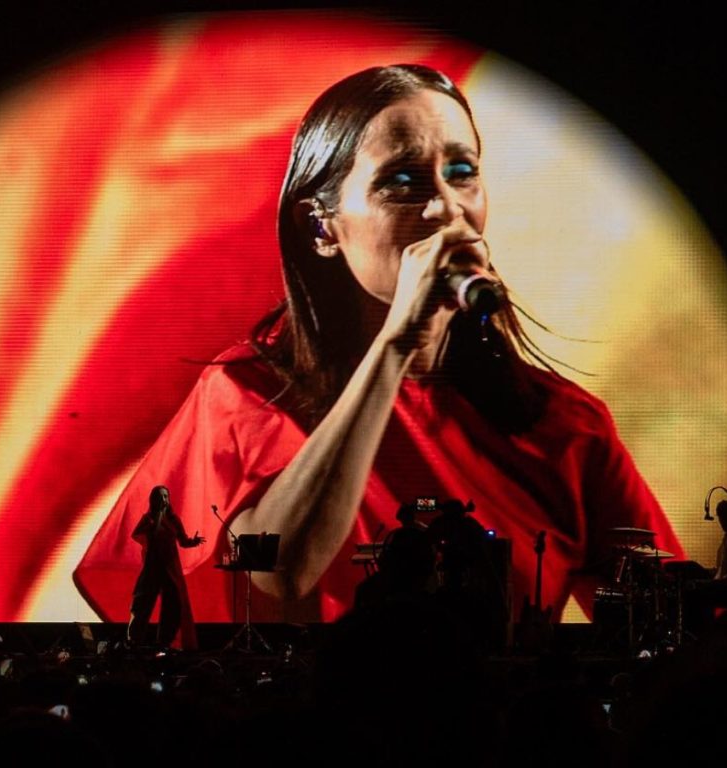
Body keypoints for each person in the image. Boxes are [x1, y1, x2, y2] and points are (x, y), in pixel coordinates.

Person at [74, 64, 683, 625]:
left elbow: (666, 623)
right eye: (402, 182)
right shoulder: (249, 394)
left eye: (463, 172)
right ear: (321, 228)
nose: (447, 209)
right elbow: (279, 570)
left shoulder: (565, 425)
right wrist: (398, 345)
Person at [126, 485, 205, 649]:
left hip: (170, 568)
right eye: (161, 497)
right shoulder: (148, 519)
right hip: (152, 568)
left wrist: (193, 542)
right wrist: (158, 518)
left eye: (166, 496)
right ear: (154, 500)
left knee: (173, 605)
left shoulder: (174, 520)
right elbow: (138, 535)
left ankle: (165, 642)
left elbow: (183, 541)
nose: (164, 500)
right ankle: (134, 642)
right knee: (142, 605)